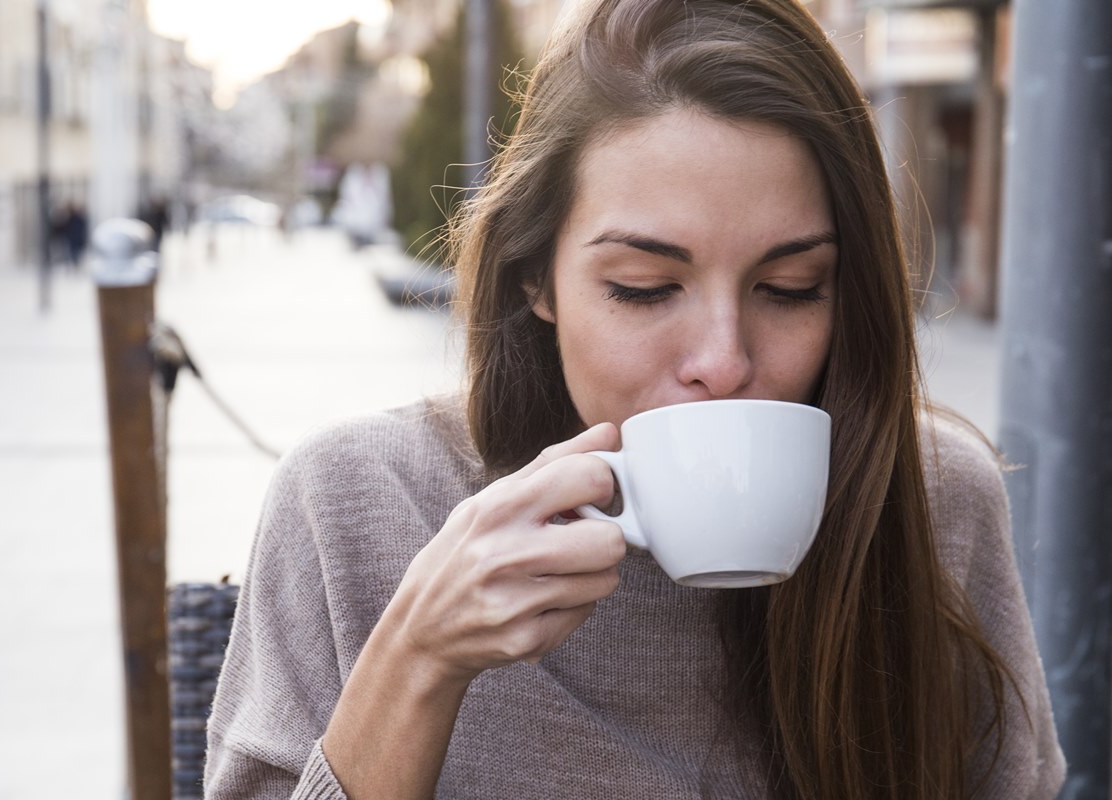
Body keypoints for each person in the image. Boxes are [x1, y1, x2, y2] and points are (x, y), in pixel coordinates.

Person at [204, 1, 1065, 797]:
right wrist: (419, 659)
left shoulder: (933, 498)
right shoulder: (357, 504)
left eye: (793, 287)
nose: (722, 363)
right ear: (536, 275)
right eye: (645, 287)